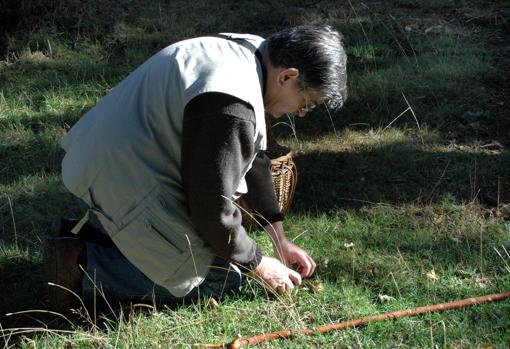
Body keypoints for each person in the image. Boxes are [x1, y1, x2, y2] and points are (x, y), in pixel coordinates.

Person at [44, 25, 348, 313]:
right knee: (222, 277)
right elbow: (210, 210)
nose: (301, 113)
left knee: (224, 251)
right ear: (287, 77)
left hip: (102, 166)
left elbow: (255, 154)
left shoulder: (253, 53)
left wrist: (278, 239)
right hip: (116, 183)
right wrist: (258, 263)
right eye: (306, 102)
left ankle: (97, 233)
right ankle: (82, 262)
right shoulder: (231, 103)